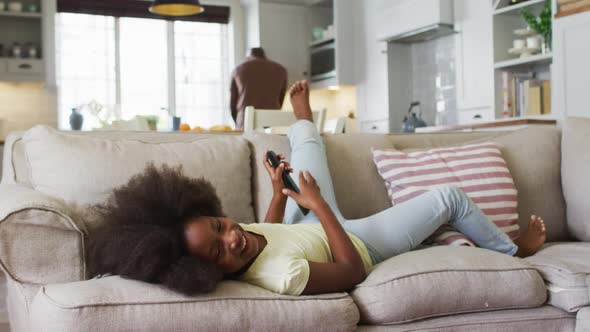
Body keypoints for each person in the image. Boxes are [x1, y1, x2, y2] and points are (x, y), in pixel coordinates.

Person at [88, 81, 547, 296]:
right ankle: (512, 253)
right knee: (449, 197)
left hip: (302, 223)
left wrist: (276, 194)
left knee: (305, 158)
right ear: (210, 273)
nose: (231, 238)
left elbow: (259, 232)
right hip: (357, 242)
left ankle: (302, 117)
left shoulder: (239, 235)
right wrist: (320, 206)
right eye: (218, 252)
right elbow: (353, 273)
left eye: (218, 224)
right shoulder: (282, 276)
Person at [230, 47, 288, 130]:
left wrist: (238, 122)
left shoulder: (238, 69)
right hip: (272, 123)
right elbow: (280, 99)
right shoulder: (281, 70)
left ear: (248, 57)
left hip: (245, 123)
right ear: (264, 56)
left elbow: (232, 104)